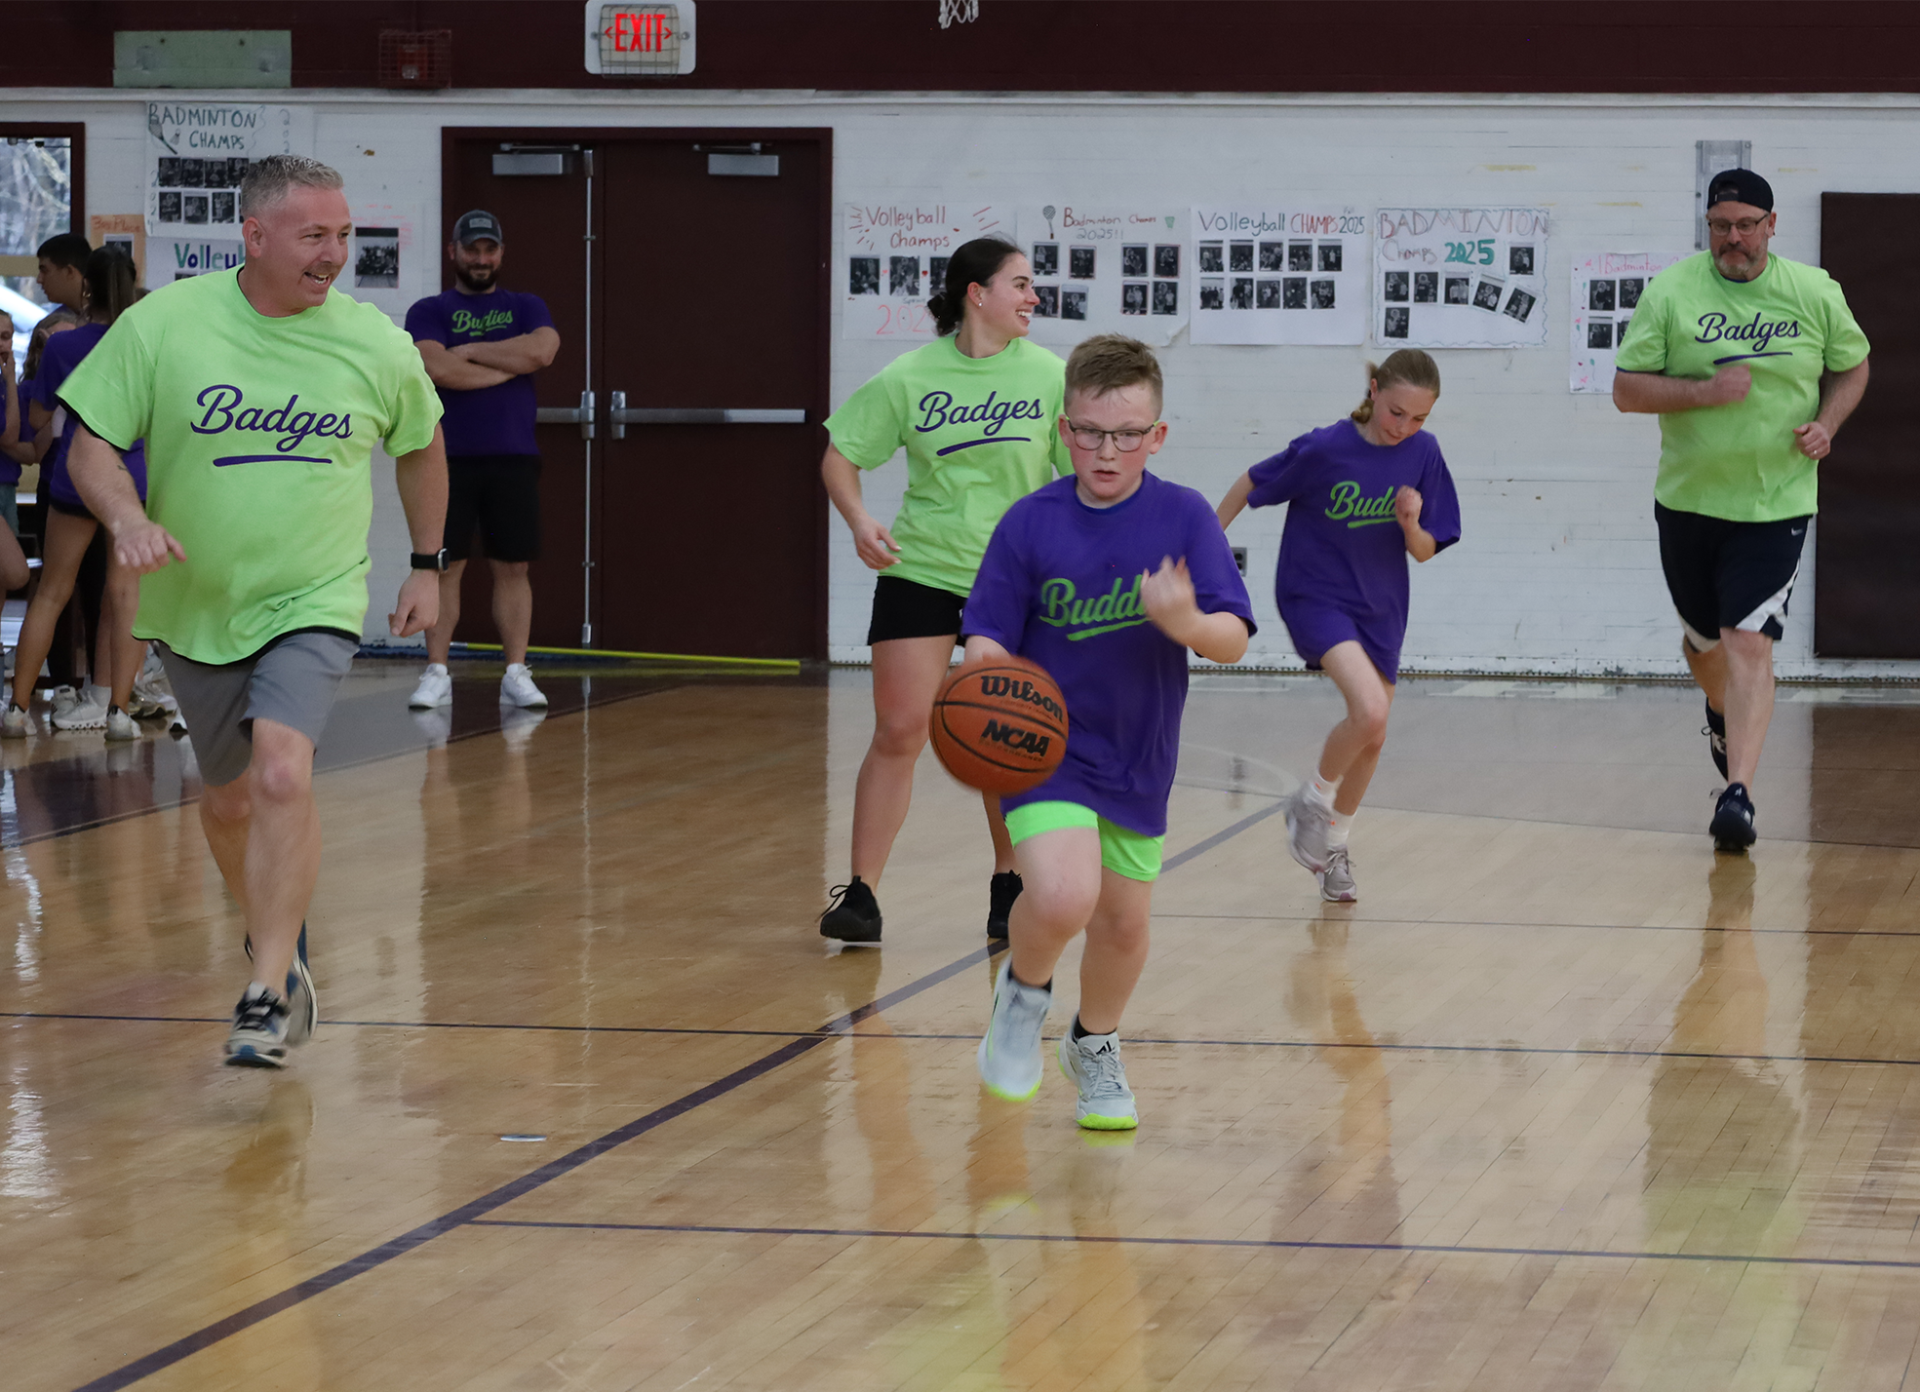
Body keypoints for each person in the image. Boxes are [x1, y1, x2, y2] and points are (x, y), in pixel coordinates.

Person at [61, 153, 448, 1067]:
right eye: (316, 236)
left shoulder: (374, 343)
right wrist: (126, 518)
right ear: (256, 236)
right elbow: (89, 447)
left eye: (344, 235)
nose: (335, 254)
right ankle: (276, 936)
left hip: (312, 595)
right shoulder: (168, 324)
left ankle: (267, 989)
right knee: (229, 800)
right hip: (196, 602)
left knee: (282, 774)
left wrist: (428, 566)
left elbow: (422, 447)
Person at [967, 334, 1254, 1129]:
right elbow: (987, 634)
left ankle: (1092, 1043)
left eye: (1127, 434)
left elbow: (1232, 639)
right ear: (1064, 429)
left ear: (1157, 436)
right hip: (1043, 748)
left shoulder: (1184, 515)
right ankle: (1023, 999)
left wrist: (1188, 618)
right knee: (1062, 894)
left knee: (1124, 925)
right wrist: (984, 667)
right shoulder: (1030, 523)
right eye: (1090, 431)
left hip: (1139, 752)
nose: (1106, 449)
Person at [817, 238, 1070, 946]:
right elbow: (841, 456)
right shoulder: (909, 375)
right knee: (900, 729)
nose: (1033, 298)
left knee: (1000, 731)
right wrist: (860, 519)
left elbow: (1077, 477)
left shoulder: (1051, 377)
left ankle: (1008, 880)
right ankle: (861, 894)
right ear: (976, 293)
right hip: (922, 567)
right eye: (1020, 284)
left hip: (1013, 580)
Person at [1613, 169, 1870, 853]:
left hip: (1775, 500)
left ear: (1771, 224)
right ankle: (1721, 710)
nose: (1735, 237)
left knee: (1749, 640)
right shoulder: (1671, 292)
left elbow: (1854, 365)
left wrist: (1829, 425)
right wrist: (1702, 393)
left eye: (1747, 224)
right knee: (1704, 645)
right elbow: (1626, 391)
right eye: (1722, 225)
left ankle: (1739, 797)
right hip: (1689, 501)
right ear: (1709, 226)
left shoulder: (1814, 292)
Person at [1216, 350, 1461, 902]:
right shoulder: (1326, 447)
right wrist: (1200, 550)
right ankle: (1313, 799)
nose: (1406, 427)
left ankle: (1335, 849)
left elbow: (1423, 551)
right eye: (1397, 412)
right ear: (1374, 391)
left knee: (1373, 736)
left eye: (1419, 418)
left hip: (1382, 606)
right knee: (1369, 710)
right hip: (1315, 595)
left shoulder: (1424, 454)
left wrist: (1410, 523)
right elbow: (1248, 485)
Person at [404, 209, 560, 711]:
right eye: (471, 249)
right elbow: (438, 367)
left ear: (500, 254)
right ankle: (437, 672)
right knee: (445, 568)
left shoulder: (527, 305)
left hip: (513, 456)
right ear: (453, 252)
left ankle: (516, 671)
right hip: (446, 460)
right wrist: (505, 366)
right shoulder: (429, 309)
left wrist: (470, 349)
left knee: (513, 567)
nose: (480, 258)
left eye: (488, 249)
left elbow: (543, 351)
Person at [6, 247, 150, 739]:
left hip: (73, 475)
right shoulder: (148, 345)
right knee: (125, 595)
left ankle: (16, 709)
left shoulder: (65, 346)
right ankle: (119, 714)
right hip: (129, 477)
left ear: (85, 286)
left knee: (51, 593)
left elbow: (40, 418)